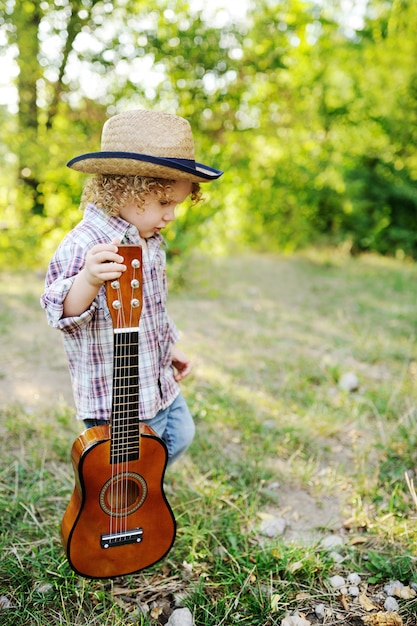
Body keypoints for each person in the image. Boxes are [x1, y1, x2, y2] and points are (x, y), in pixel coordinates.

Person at [41, 109, 223, 466]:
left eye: (177, 204)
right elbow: (61, 312)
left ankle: (142, 492)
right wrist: (88, 281)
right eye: (164, 203)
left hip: (156, 378)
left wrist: (168, 349)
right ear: (124, 189)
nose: (171, 216)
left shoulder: (149, 239)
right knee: (129, 464)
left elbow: (152, 309)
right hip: (119, 394)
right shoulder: (85, 244)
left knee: (181, 434)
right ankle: (120, 505)